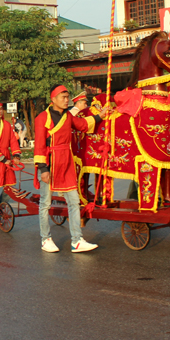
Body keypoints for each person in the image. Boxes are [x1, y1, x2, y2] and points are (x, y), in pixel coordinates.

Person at [34, 85, 103, 253]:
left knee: (74, 201)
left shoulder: (68, 116)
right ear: (54, 99)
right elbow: (40, 145)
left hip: (67, 163)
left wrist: (101, 115)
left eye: (67, 97)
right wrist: (43, 169)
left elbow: (84, 125)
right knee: (45, 204)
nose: (67, 100)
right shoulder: (42, 118)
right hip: (50, 164)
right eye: (63, 97)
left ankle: (77, 240)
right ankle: (45, 239)